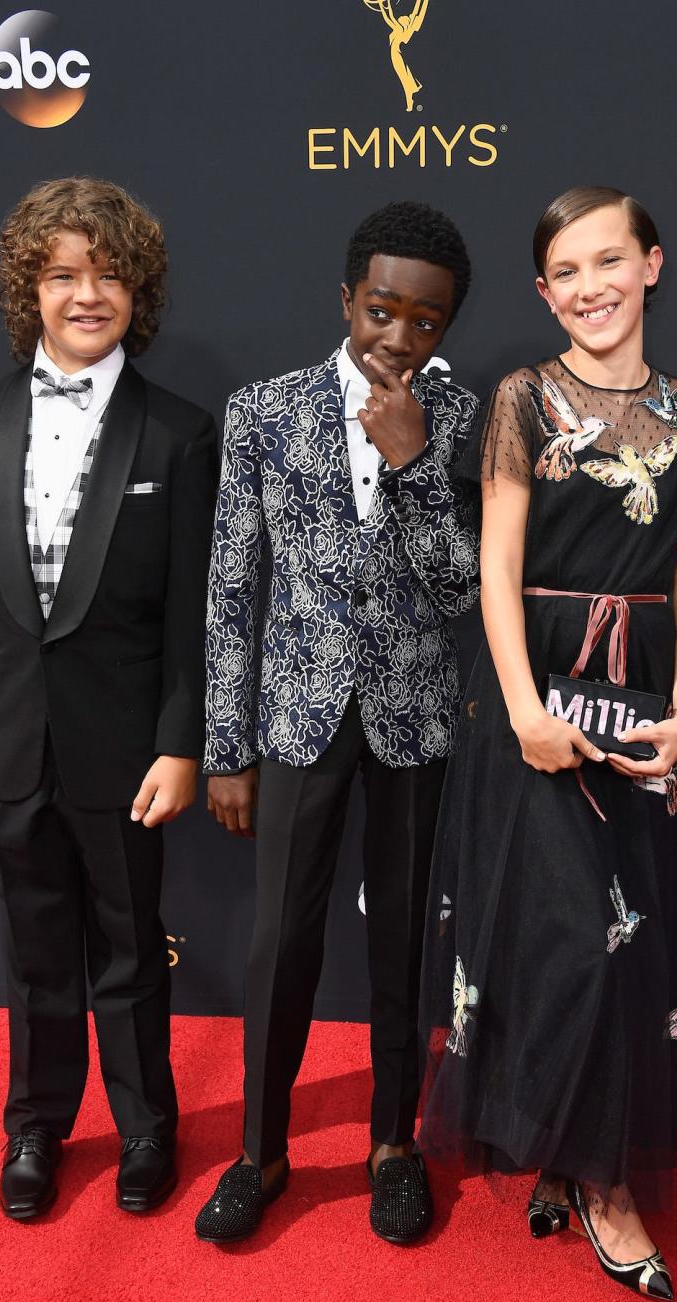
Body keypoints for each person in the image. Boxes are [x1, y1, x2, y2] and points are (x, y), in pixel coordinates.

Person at [417, 186, 677, 1301]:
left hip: (646, 694)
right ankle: (601, 1183)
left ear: (652, 265)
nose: (590, 287)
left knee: (638, 939)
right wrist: (522, 709)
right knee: (566, 937)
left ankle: (582, 1154)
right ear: (543, 292)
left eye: (608, 261)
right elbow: (496, 571)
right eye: (566, 273)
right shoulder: (522, 399)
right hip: (539, 691)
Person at [0, 177, 218, 1220]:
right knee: (36, 946)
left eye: (107, 274)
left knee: (131, 946)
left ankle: (147, 1128)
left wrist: (182, 742)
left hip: (126, 745)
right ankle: (36, 1128)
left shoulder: (181, 433)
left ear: (138, 290)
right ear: (28, 291)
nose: (85, 294)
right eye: (61, 275)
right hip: (8, 737)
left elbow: (194, 614)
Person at [198, 201, 479, 1245]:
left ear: (447, 327)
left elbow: (461, 594)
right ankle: (261, 1154)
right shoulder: (264, 412)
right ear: (347, 297)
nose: (399, 337)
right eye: (381, 309)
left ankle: (393, 1148)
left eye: (426, 321)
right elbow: (232, 587)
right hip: (297, 717)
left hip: (415, 722)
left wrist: (410, 466)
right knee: (281, 944)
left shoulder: (465, 420)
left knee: (405, 940)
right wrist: (228, 746)